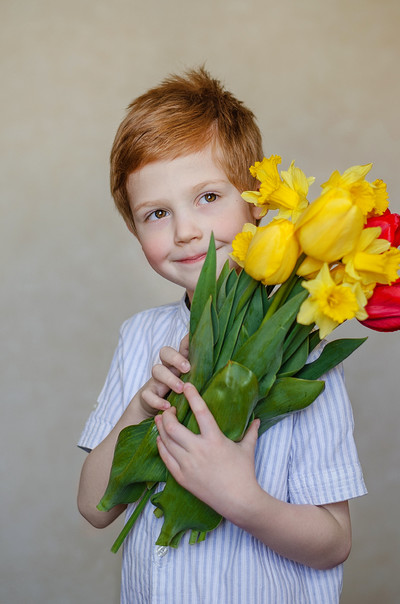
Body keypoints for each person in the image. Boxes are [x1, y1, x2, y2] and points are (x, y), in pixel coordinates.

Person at [77, 67, 367, 604]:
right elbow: (95, 508)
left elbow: (334, 543)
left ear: (256, 202)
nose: (186, 230)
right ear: (134, 229)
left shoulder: (307, 351)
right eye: (156, 213)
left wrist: (241, 499)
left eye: (208, 197)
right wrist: (141, 405)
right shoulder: (140, 337)